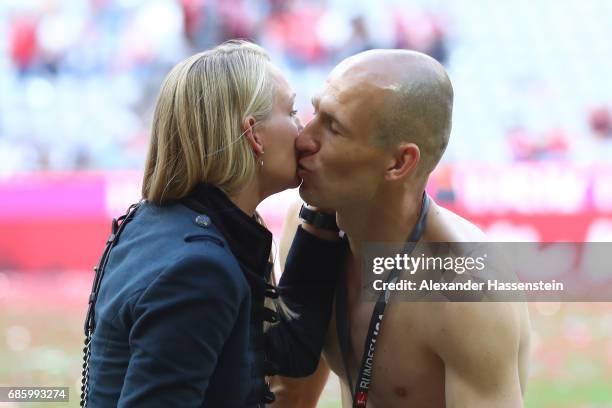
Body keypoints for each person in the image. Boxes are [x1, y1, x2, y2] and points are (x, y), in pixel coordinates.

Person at [82, 40, 344, 408]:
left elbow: (283, 352)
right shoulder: (200, 269)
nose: (304, 130)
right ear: (254, 135)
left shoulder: (162, 223)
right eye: (294, 111)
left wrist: (322, 214)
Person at [270, 49, 531, 407]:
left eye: (333, 127)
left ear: (399, 162)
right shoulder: (307, 227)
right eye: (315, 113)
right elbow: (290, 396)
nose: (304, 139)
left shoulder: (467, 291)